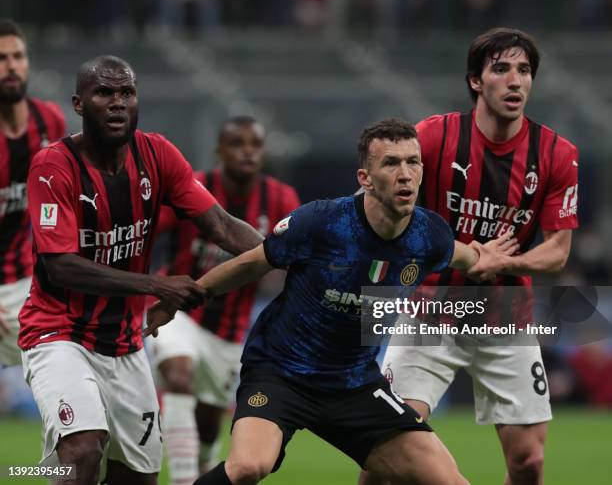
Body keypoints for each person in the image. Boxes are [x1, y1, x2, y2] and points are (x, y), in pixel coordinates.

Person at [146, 118, 518, 485]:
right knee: (248, 467)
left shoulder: (429, 235)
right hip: (281, 373)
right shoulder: (322, 222)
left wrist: (488, 256)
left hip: (354, 385)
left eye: (413, 161)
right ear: (365, 179)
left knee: (450, 480)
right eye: (391, 163)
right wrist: (183, 299)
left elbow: (466, 257)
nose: (405, 174)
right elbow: (252, 263)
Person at [17, 55, 263, 485]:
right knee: (82, 450)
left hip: (126, 344)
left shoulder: (157, 154)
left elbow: (221, 226)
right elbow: (61, 267)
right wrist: (155, 286)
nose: (117, 103)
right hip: (59, 333)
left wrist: (285, 253)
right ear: (78, 103)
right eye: (104, 93)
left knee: (138, 478)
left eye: (126, 93)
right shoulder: (53, 165)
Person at [361, 28, 579, 485]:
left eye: (524, 71)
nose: (515, 81)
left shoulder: (558, 154)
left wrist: (502, 263)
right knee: (386, 449)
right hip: (430, 311)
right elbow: (390, 212)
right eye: (501, 69)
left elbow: (558, 252)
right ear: (476, 81)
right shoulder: (434, 137)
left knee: (529, 462)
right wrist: (460, 256)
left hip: (505, 315)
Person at [150, 116, 300, 484]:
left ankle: (203, 464)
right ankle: (184, 479)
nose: (247, 151)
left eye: (255, 145)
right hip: (181, 313)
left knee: (209, 423)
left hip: (231, 331)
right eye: (237, 144)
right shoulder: (194, 187)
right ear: (220, 150)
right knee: (178, 375)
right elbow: (149, 230)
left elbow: (296, 257)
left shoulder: (281, 198)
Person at [0, 18, 65, 368]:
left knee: (63, 366)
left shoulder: (49, 121)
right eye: (1, 58)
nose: (11, 66)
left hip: (27, 282)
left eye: (18, 56)